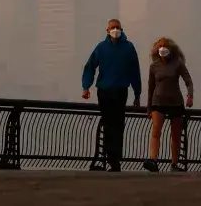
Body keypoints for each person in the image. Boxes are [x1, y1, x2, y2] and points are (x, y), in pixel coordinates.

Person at [81, 18, 142, 172]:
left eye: (118, 27)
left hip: (121, 90)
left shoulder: (129, 48)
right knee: (109, 124)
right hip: (104, 91)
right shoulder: (101, 48)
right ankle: (109, 158)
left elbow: (135, 71)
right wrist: (86, 86)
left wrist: (137, 93)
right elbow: (90, 66)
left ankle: (115, 159)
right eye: (113, 27)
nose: (115, 30)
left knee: (118, 125)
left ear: (122, 29)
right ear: (107, 31)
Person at [143, 37, 194, 173]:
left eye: (165, 46)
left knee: (176, 135)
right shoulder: (154, 66)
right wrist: (149, 108)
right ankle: (153, 160)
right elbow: (150, 87)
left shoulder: (177, 64)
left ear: (171, 49)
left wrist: (190, 96)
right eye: (160, 46)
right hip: (157, 102)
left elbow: (188, 81)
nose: (162, 49)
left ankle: (174, 163)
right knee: (156, 131)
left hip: (175, 102)